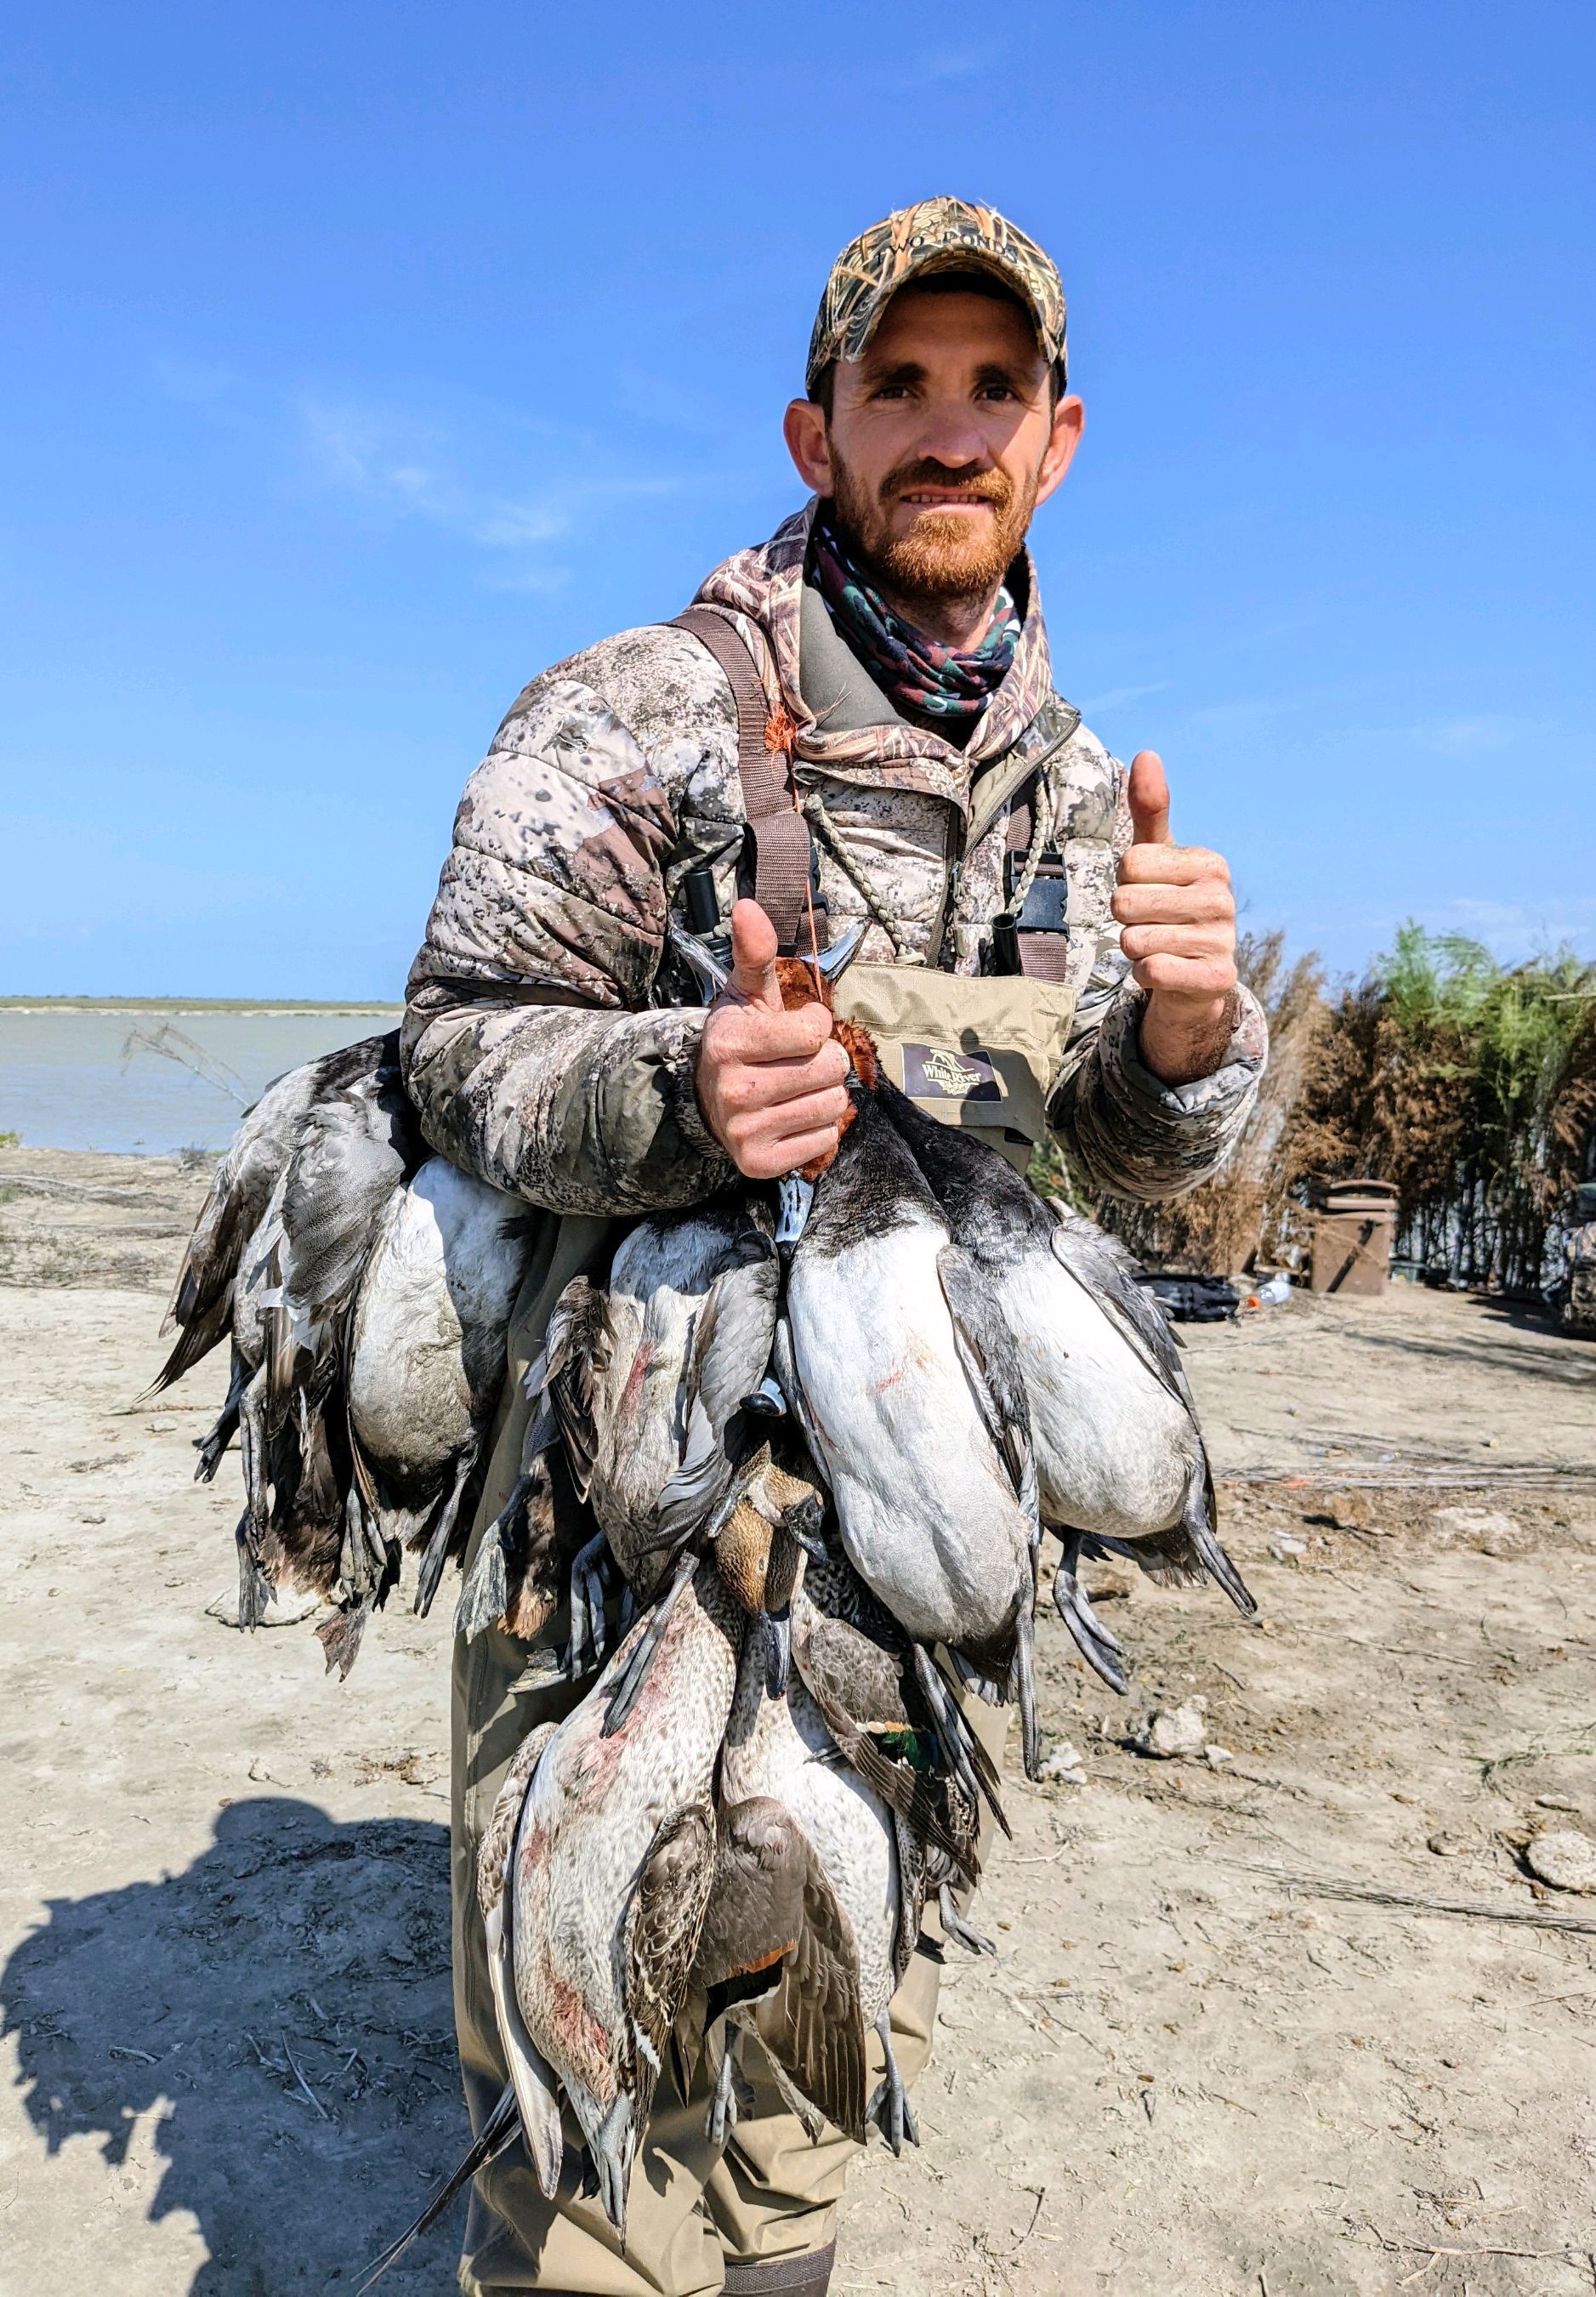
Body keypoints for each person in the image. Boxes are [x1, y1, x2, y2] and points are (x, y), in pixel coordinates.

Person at [402, 196, 1269, 2297]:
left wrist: (1186, 1045)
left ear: (1060, 439)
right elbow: (450, 1047)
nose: (950, 431)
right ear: (818, 438)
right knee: (592, 2120)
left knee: (812, 2083)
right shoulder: (633, 711)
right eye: (902, 387)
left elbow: (1120, 1174)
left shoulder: (1080, 795)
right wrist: (677, 1092)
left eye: (996, 390)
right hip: (611, 1546)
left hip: (915, 1567)